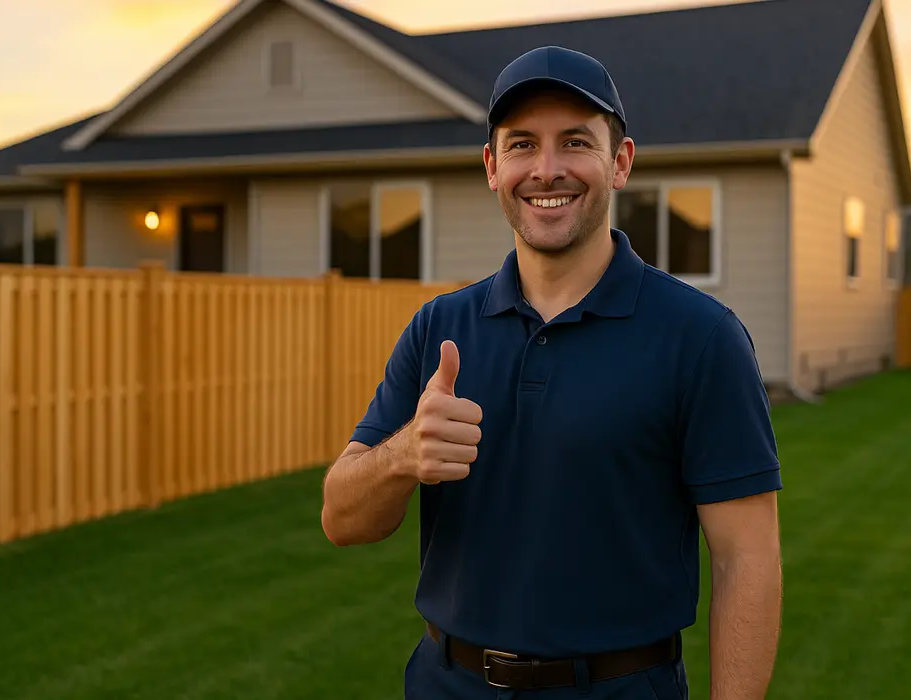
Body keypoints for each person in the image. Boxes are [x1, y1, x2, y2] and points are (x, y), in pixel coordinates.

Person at [320, 46, 783, 700]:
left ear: (620, 162)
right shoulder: (439, 328)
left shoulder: (700, 337)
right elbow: (341, 519)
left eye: (574, 142)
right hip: (447, 685)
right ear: (491, 166)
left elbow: (748, 559)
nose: (546, 170)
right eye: (521, 145)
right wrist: (401, 456)